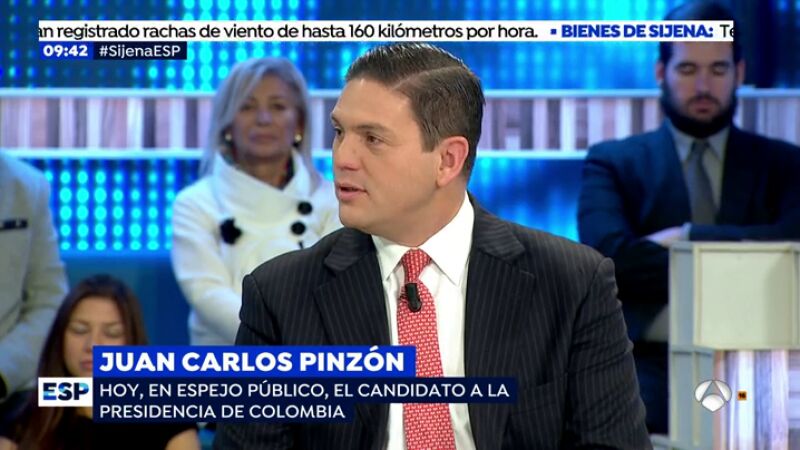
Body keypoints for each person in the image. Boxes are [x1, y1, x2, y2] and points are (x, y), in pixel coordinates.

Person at [214, 43, 650, 449]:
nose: (342, 158)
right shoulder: (281, 296)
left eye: (372, 139)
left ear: (447, 160)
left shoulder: (572, 283)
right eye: (339, 132)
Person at [577, 1, 800, 434]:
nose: (702, 85)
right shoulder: (612, 163)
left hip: (763, 354)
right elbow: (607, 258)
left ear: (739, 73)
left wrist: (687, 235)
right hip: (643, 360)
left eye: (717, 70)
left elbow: (792, 243)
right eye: (687, 69)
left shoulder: (785, 165)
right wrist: (744, 257)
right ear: (661, 72)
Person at [171, 57, 341, 346]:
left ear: (299, 122)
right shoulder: (194, 204)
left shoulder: (333, 201)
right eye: (247, 107)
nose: (263, 119)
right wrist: (278, 341)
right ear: (227, 123)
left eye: (278, 107)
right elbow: (207, 293)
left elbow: (336, 290)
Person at [0, 274, 200, 450]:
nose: (93, 345)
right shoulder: (22, 423)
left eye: (112, 333)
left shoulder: (170, 423)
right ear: (59, 338)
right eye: (79, 330)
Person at [0, 152, 68, 432]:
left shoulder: (28, 185)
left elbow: (49, 302)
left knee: (138, 395)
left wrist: (3, 370)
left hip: (13, 383)